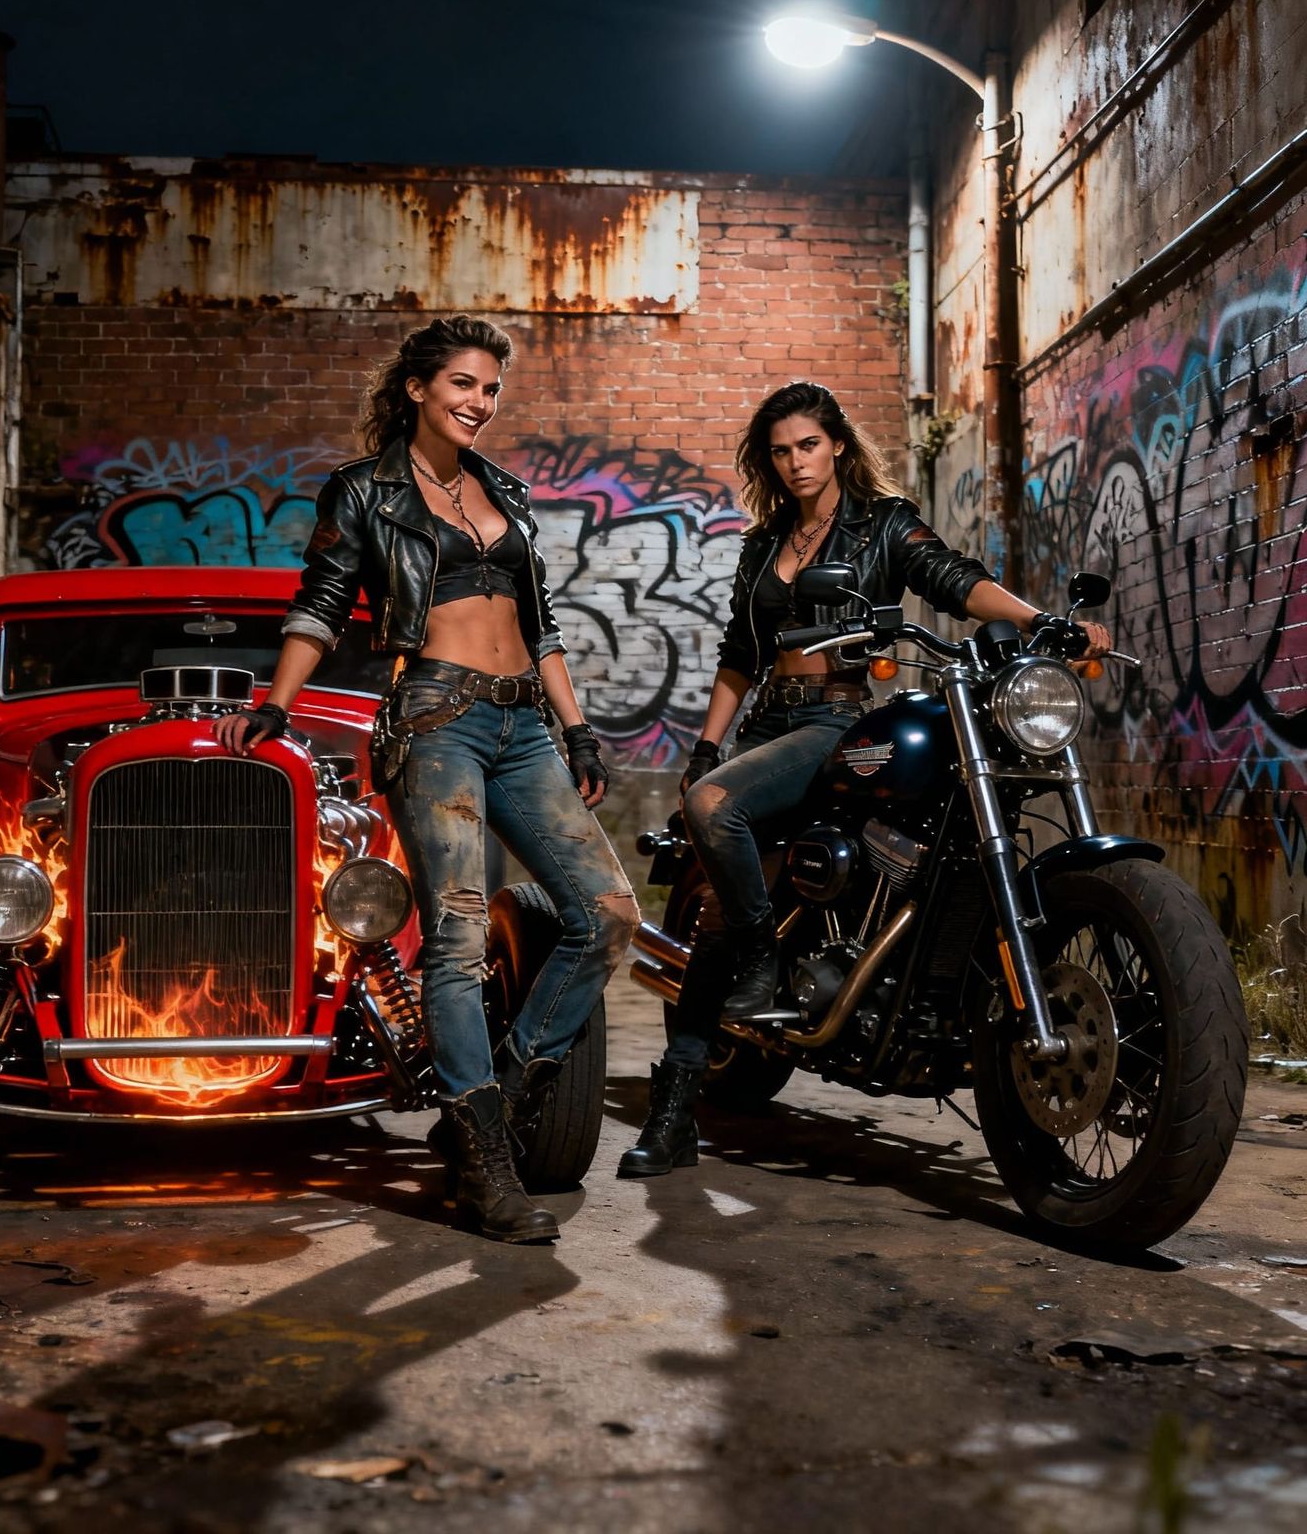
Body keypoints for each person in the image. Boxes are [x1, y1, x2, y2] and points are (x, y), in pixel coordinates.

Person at [618, 381, 1110, 1179]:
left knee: (721, 818)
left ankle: (767, 966)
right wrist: (707, 747)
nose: (795, 462)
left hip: (832, 720)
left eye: (808, 445)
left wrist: (1034, 621)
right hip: (766, 722)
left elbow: (949, 574)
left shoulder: (882, 524)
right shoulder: (764, 543)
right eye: (780, 451)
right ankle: (677, 1109)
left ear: (837, 444)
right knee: (713, 886)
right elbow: (740, 657)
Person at [216, 315, 639, 1243]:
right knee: (452, 932)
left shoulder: (508, 495)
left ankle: (499, 1099)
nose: (479, 404)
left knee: (607, 913)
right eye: (462, 385)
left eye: (490, 389)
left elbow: (545, 625)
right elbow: (322, 605)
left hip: (524, 719)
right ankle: (486, 1160)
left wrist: (578, 732)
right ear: (417, 388)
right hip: (435, 719)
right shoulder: (365, 491)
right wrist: (277, 705)